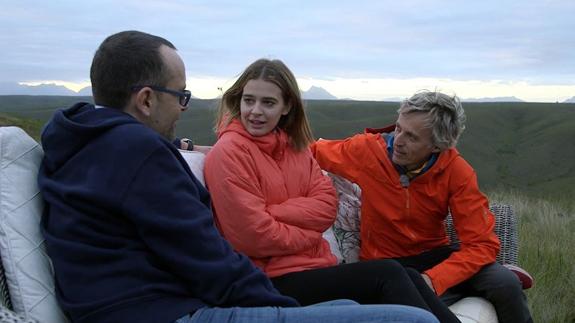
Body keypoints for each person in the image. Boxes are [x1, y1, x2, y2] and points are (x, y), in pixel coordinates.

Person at [37, 31, 438, 323]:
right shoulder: (135, 151)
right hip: (165, 311)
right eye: (180, 96)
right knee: (410, 319)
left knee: (351, 307)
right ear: (145, 99)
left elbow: (322, 207)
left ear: (286, 109)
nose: (181, 109)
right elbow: (212, 258)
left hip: (151, 303)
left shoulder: (75, 141)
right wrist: (283, 309)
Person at [203, 59, 460, 323]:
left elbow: (327, 206)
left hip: (313, 268)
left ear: (287, 106)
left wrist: (273, 213)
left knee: (407, 274)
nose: (255, 111)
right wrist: (309, 234)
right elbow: (250, 237)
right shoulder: (229, 153)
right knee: (388, 274)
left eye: (268, 103)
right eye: (249, 100)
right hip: (266, 280)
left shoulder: (296, 149)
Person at [311, 90, 533, 323]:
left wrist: (435, 278)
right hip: (386, 266)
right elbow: (309, 151)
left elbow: (481, 244)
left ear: (437, 146)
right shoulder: (366, 151)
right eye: (398, 128)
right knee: (409, 303)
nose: (398, 141)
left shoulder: (456, 171)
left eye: (412, 137)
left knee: (505, 283)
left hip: (435, 257)